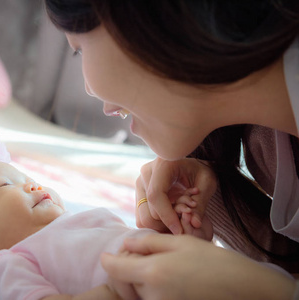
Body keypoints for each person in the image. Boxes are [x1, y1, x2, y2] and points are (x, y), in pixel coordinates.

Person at [44, 0, 299, 299]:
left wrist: (259, 291)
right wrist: (214, 199)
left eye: (79, 50)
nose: (89, 88)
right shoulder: (266, 141)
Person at [0, 133, 205, 300]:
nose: (33, 185)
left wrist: (177, 229)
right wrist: (114, 290)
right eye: (5, 185)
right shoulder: (0, 265)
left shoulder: (79, 223)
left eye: (28, 178)